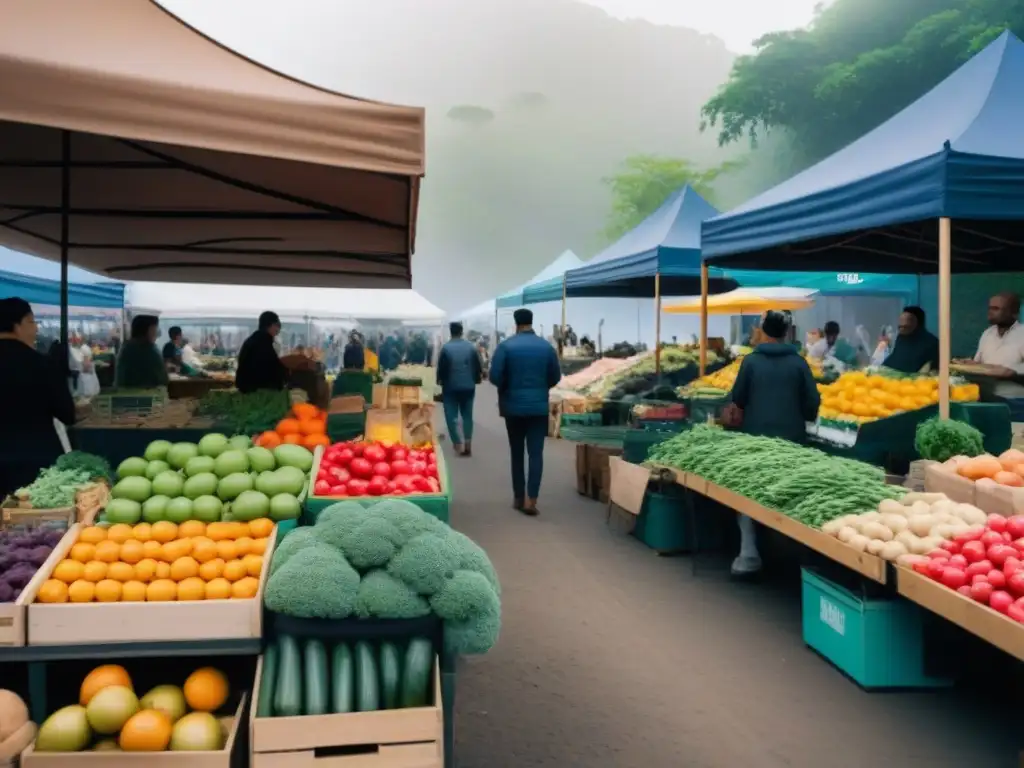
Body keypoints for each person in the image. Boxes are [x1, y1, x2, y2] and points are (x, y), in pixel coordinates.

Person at [729, 310, 821, 577]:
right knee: (788, 492)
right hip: (792, 439)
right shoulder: (799, 363)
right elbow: (812, 403)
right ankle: (792, 553)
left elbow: (738, 397)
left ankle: (748, 555)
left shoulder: (751, 362)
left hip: (756, 439)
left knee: (749, 490)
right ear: (786, 333)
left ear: (763, 331)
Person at [0, 298, 77, 498]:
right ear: (19, 325)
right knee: (32, 523)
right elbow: (67, 414)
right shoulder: (42, 364)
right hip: (35, 462)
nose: (35, 329)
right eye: (33, 322)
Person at [489, 308, 561, 515]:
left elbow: (494, 376)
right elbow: (555, 376)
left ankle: (518, 497)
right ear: (531, 322)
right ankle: (532, 499)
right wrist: (541, 388)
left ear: (516, 323)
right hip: (538, 407)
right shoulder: (546, 348)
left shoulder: (505, 347)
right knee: (536, 453)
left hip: (513, 407)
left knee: (517, 452)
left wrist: (507, 386)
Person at [966, 292, 1024, 419]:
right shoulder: (987, 334)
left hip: (1017, 403)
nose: (990, 312)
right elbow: (980, 365)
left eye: (996, 309)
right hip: (988, 400)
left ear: (1013, 312)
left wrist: (1011, 375)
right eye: (990, 308)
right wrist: (969, 365)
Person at [438, 322, 483, 457]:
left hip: (450, 388)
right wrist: (476, 379)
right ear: (462, 332)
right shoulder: (471, 347)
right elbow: (478, 366)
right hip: (468, 387)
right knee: (467, 415)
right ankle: (468, 443)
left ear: (450, 332)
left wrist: (440, 382)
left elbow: (442, 369)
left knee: (451, 415)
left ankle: (458, 442)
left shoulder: (445, 348)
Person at [235, 311, 288, 394]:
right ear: (271, 325)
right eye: (278, 326)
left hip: (247, 389)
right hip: (257, 391)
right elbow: (271, 367)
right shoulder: (263, 342)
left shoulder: (254, 339)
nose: (278, 330)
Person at [879, 306, 939, 373]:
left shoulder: (931, 343)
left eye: (905, 325)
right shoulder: (902, 337)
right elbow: (896, 358)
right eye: (900, 326)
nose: (901, 327)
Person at [115, 315, 168, 388]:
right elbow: (163, 379)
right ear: (148, 330)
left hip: (123, 393)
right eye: (155, 329)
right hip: (147, 395)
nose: (156, 333)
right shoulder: (150, 350)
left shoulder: (126, 347)